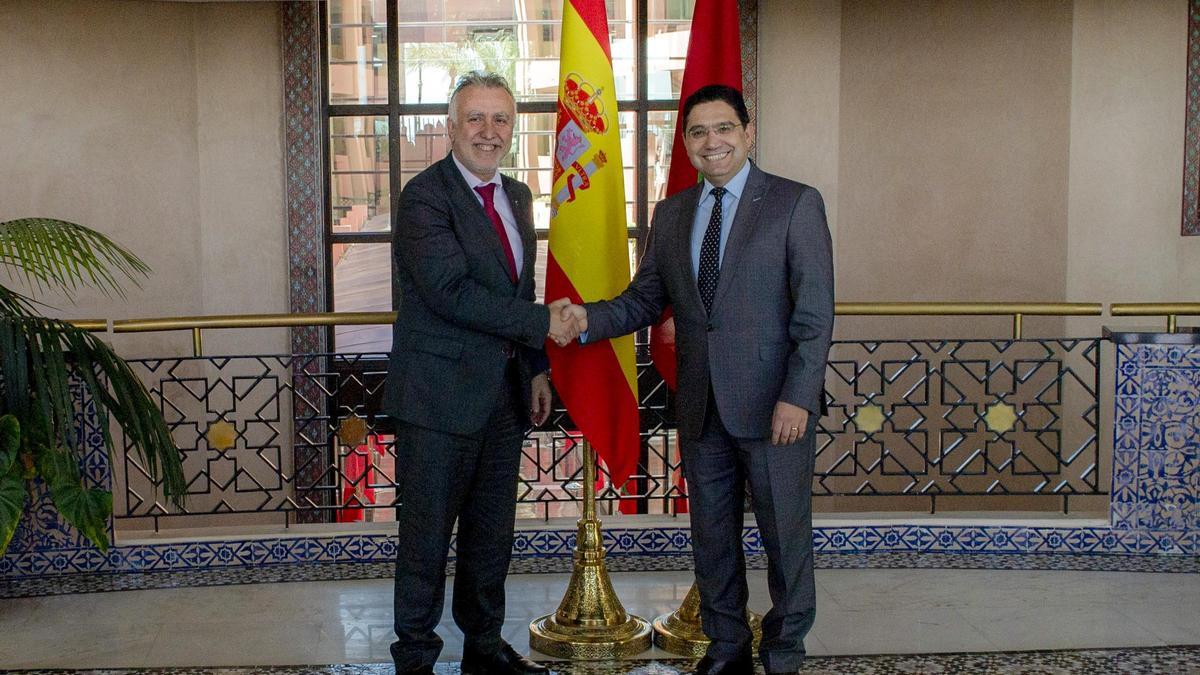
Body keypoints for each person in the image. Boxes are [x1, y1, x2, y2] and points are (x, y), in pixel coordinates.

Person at [561, 84, 833, 675]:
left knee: (786, 541)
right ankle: (727, 647)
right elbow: (645, 299)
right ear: (686, 143)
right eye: (699, 132)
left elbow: (814, 318)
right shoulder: (674, 212)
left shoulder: (794, 204)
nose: (713, 142)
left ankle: (784, 652)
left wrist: (798, 398)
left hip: (774, 410)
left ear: (748, 132)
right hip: (702, 405)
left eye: (724, 128)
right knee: (712, 540)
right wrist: (585, 320)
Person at [382, 71, 576, 675]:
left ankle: (484, 649)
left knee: (491, 536)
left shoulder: (516, 195)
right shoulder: (423, 197)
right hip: (438, 400)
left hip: (504, 397)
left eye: (501, 120)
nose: (489, 132)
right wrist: (545, 321)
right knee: (427, 537)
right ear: (451, 126)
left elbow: (519, 286)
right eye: (476, 118)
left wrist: (538, 365)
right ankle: (415, 656)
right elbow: (450, 292)